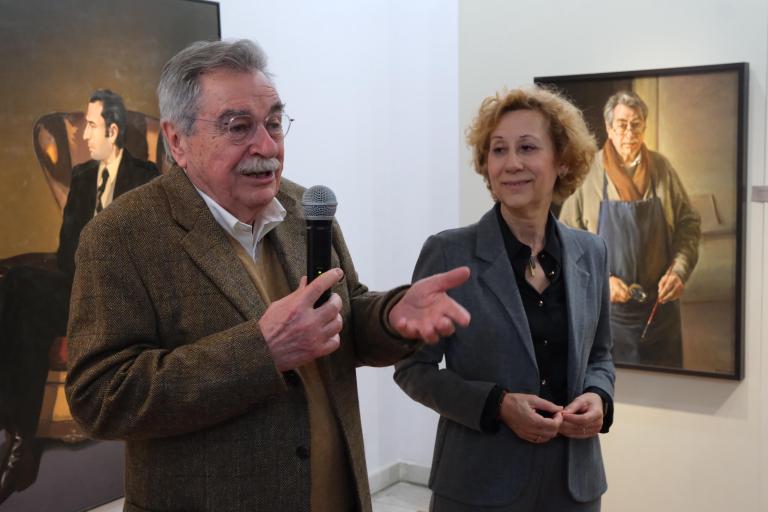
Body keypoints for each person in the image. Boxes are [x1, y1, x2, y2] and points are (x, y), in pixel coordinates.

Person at [64, 39, 471, 512]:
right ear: (177, 141)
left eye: (274, 123)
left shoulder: (304, 209)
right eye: (239, 127)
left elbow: (342, 314)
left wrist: (390, 317)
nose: (268, 146)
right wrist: (261, 352)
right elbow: (100, 396)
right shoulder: (122, 235)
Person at [394, 87, 615, 511]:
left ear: (563, 160)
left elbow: (601, 355)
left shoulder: (591, 251)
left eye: (527, 148)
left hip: (574, 485)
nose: (511, 163)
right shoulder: (449, 253)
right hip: (478, 484)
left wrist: (599, 397)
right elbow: (412, 369)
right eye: (498, 150)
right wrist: (496, 405)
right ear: (486, 164)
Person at [0, 89, 159, 504]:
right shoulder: (83, 176)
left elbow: (146, 248)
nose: (84, 135)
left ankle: (18, 441)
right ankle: (19, 437)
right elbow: (67, 248)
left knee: (26, 296)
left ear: (112, 130)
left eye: (91, 126)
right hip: (79, 284)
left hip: (120, 292)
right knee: (18, 285)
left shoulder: (145, 177)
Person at [559, 90, 701, 368]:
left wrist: (679, 270)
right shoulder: (589, 172)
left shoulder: (662, 168)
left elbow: (689, 225)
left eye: (636, 125)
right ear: (609, 128)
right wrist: (602, 280)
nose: (629, 133)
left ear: (644, 127)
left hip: (661, 310)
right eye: (622, 125)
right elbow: (565, 238)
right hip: (607, 315)